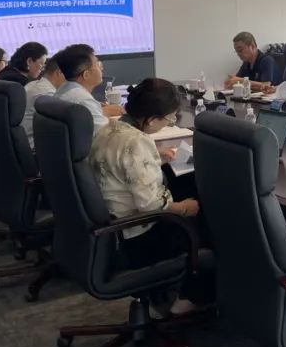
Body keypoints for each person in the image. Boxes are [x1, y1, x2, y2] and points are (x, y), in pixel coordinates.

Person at [88, 78, 206, 316]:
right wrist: (185, 207)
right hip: (137, 236)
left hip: (111, 224)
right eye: (169, 118)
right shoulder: (137, 142)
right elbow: (151, 204)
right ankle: (188, 298)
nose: (170, 122)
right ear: (152, 119)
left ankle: (165, 291)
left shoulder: (110, 129)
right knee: (206, 225)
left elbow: (121, 166)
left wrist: (155, 159)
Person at [53, 44, 124, 132]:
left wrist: (99, 110)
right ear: (86, 74)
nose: (101, 68)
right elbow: (104, 134)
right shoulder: (83, 100)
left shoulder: (64, 90)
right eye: (97, 64)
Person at [22, 58, 65, 148]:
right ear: (59, 72)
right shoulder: (49, 94)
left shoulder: (31, 84)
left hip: (23, 142)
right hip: (34, 147)